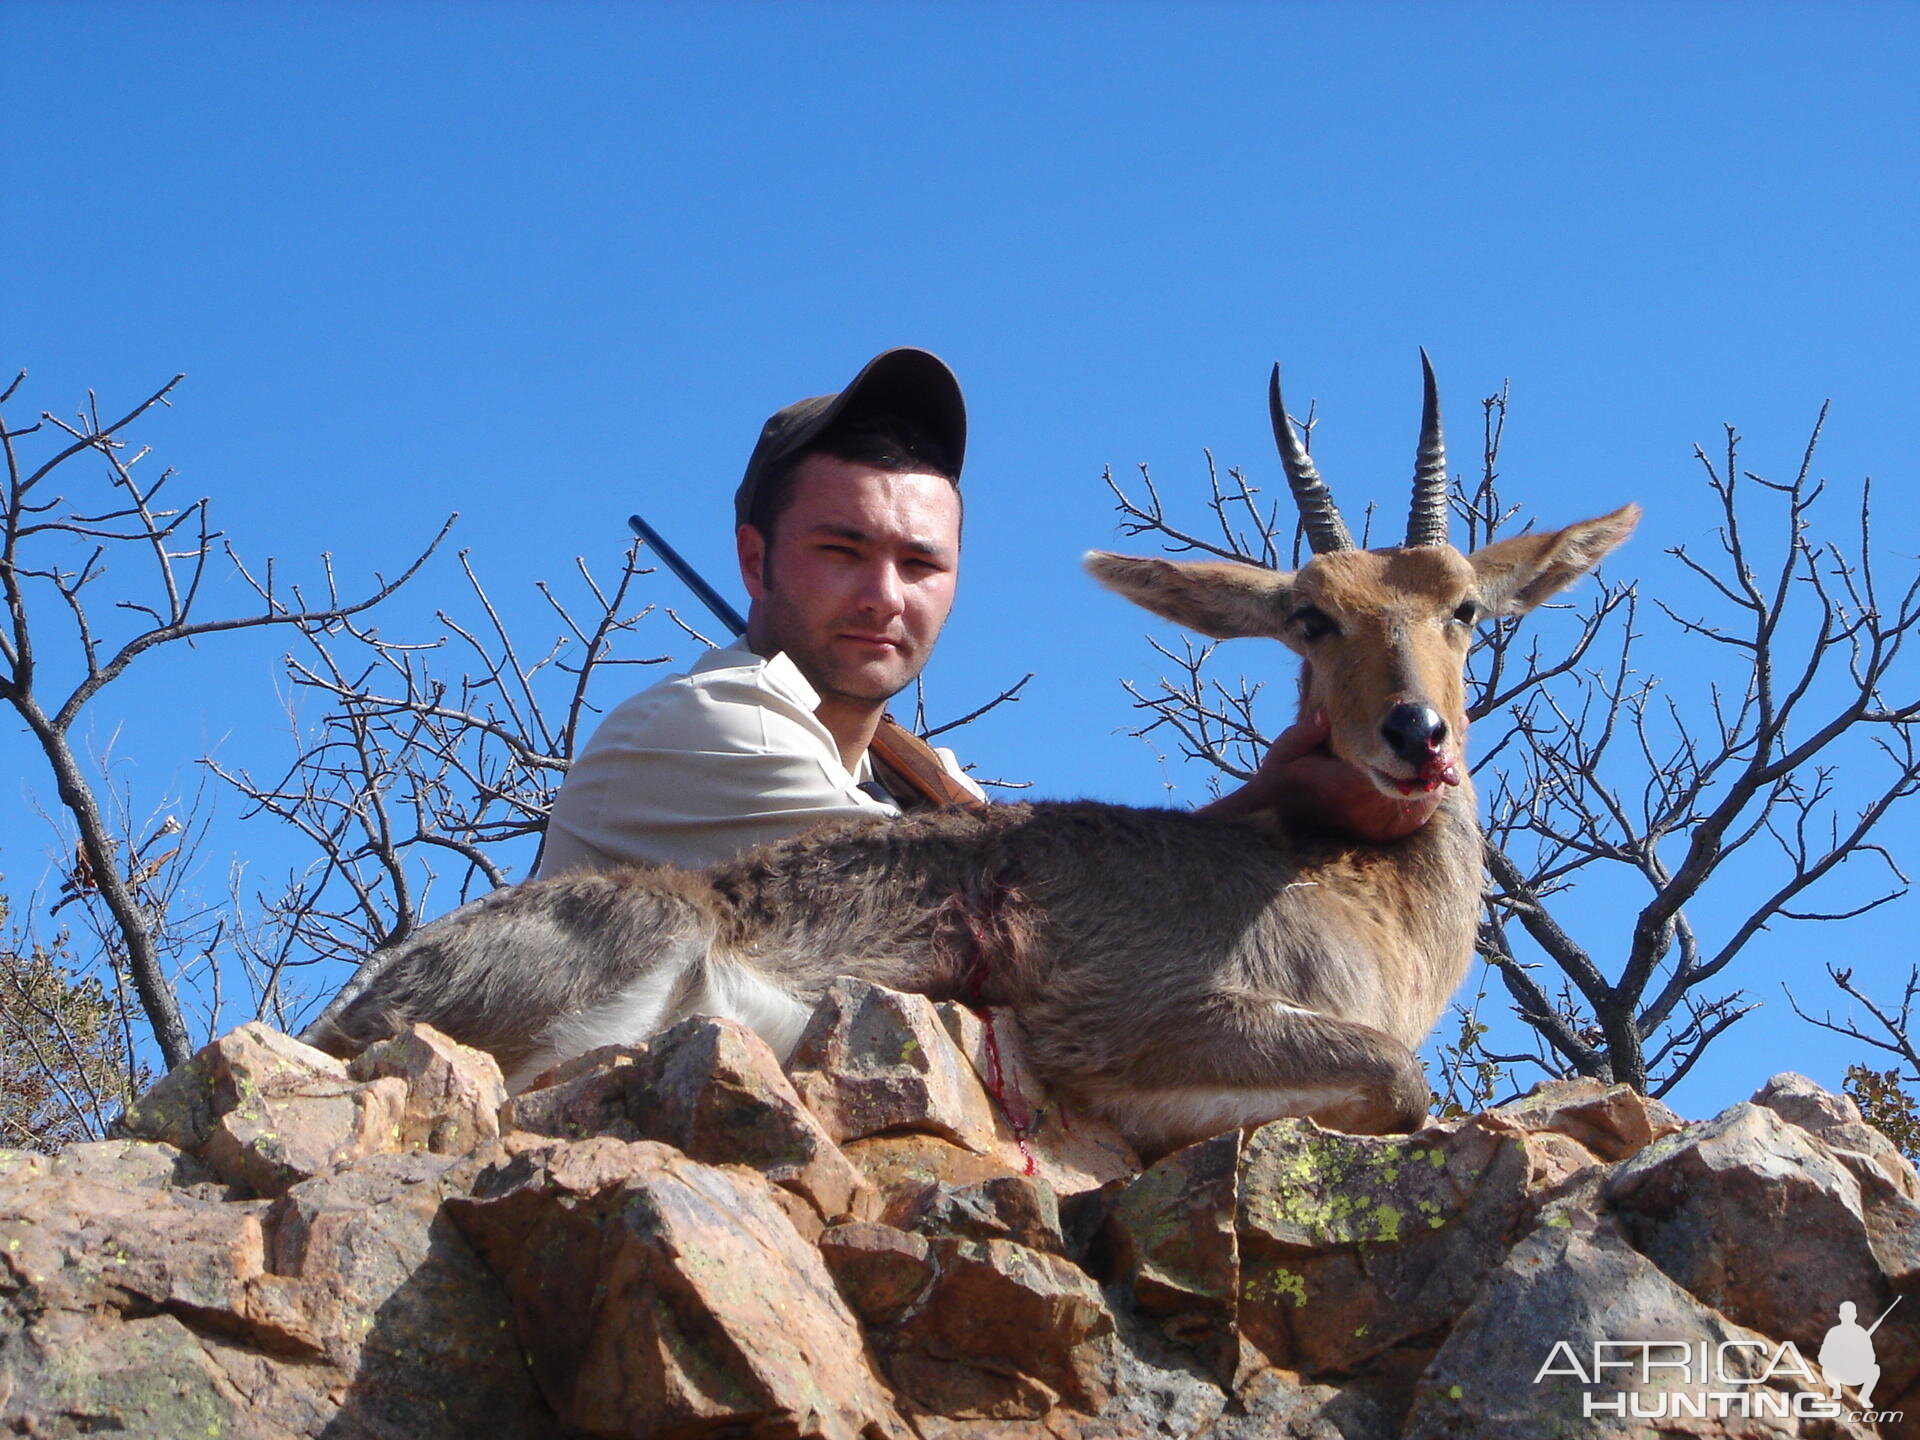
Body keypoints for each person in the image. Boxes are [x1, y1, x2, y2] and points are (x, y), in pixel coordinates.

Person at [535, 347, 1436, 878]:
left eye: (921, 561)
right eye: (840, 552)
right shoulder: (711, 727)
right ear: (753, 560)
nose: (885, 597)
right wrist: (1265, 802)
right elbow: (996, 913)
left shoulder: (918, 779)